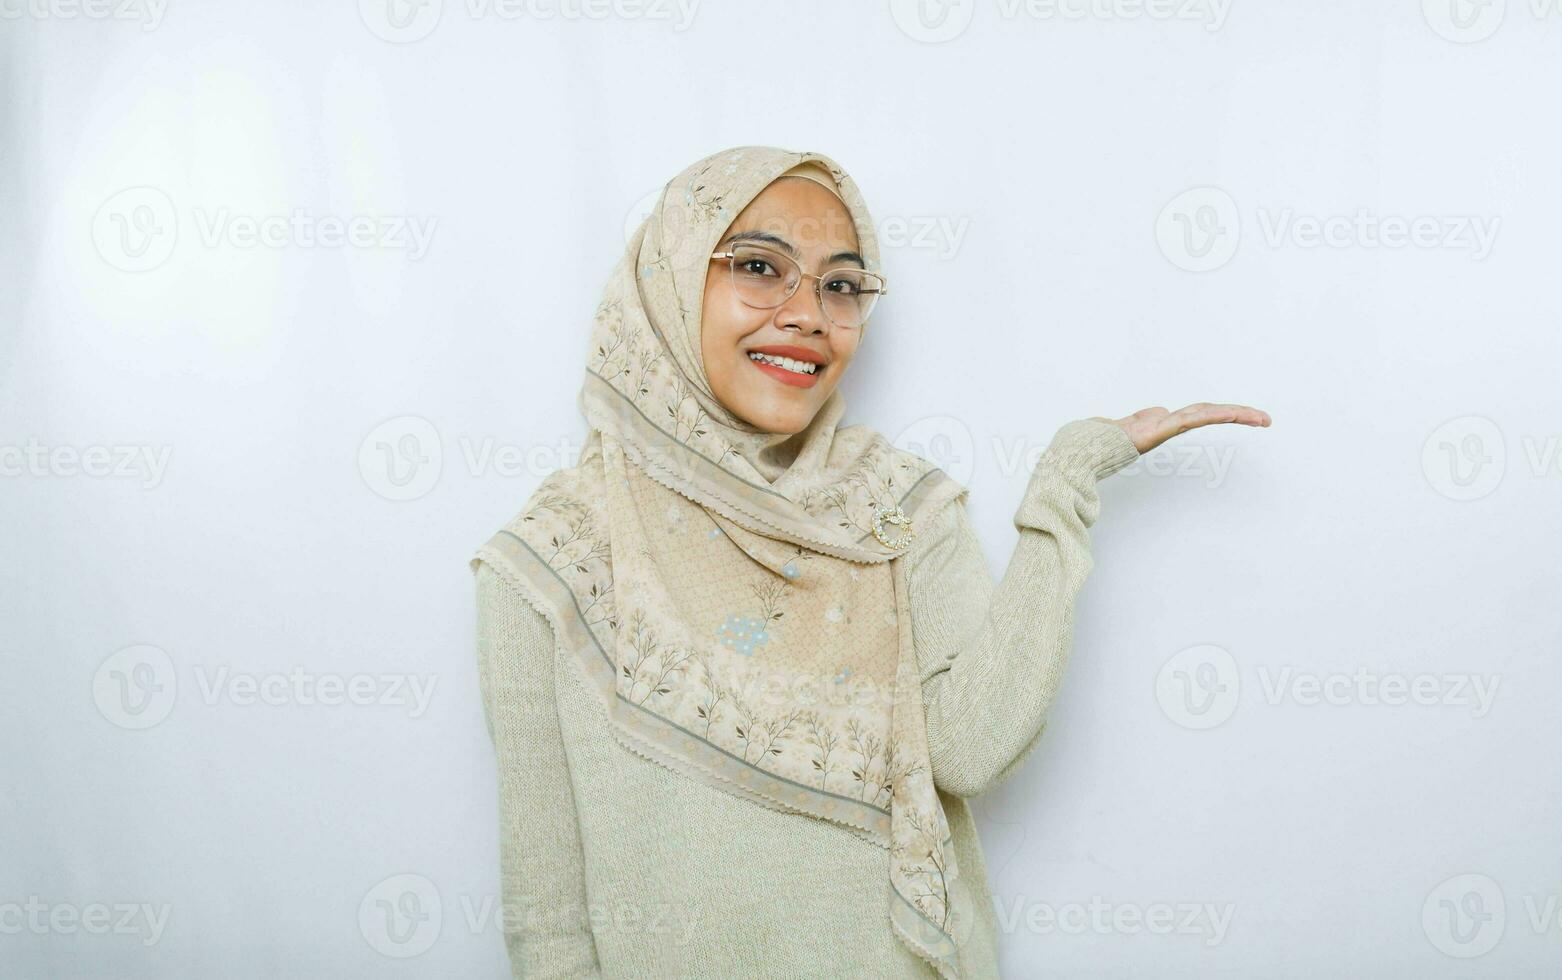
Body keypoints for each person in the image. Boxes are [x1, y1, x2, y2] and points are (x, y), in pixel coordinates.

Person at [470, 145, 1270, 979]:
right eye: (758, 266)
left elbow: (970, 747)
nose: (809, 313)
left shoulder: (895, 508)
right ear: (667, 284)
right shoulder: (550, 562)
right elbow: (548, 921)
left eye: (841, 285)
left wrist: (1064, 486)